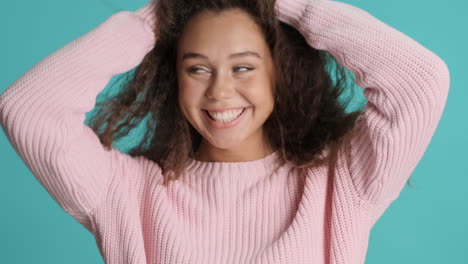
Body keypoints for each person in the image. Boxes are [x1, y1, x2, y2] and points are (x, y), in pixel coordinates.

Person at [0, 0, 450, 263]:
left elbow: (420, 83)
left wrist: (284, 4)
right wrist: (163, 13)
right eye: (197, 68)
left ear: (279, 74)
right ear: (174, 77)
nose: (220, 90)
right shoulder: (126, 195)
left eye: (243, 67)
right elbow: (27, 109)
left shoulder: (338, 185)